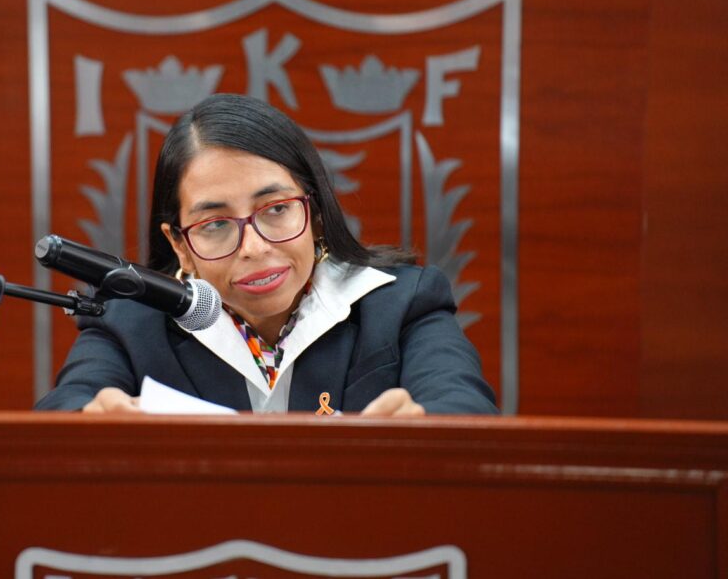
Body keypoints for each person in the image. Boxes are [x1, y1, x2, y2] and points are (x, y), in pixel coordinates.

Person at [35, 94, 497, 416]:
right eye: (215, 225)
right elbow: (63, 416)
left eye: (276, 210)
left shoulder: (403, 305)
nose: (254, 248)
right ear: (179, 245)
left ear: (315, 213)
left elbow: (466, 411)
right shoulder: (129, 323)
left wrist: (421, 427)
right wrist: (93, 420)